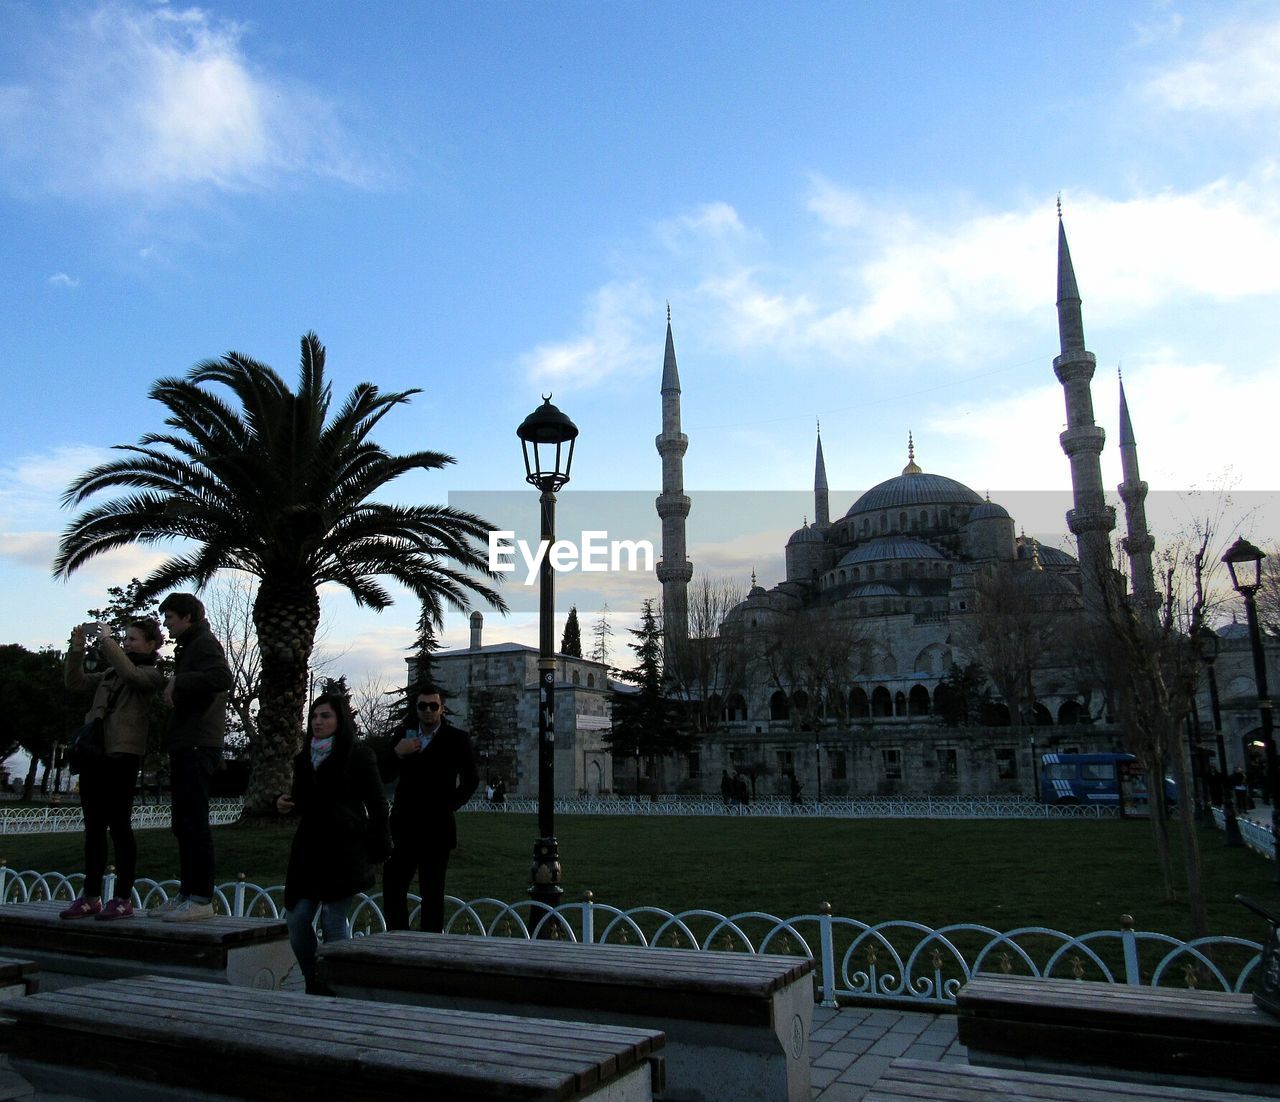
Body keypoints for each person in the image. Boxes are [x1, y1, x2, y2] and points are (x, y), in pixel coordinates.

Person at [277, 694, 390, 994]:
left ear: (339, 720)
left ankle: (337, 985)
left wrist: (380, 843)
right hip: (309, 850)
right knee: (298, 920)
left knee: (333, 919)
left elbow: (377, 802)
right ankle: (314, 978)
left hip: (343, 850)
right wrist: (285, 803)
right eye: (314, 715)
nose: (318, 721)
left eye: (325, 716)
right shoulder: (304, 759)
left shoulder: (357, 756)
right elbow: (303, 799)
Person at [60, 619, 165, 920]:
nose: (127, 643)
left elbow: (132, 675)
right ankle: (90, 895)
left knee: (119, 826)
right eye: (125, 638)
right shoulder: (109, 673)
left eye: (133, 639)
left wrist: (107, 641)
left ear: (151, 644)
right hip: (95, 754)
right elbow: (75, 682)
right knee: (93, 827)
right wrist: (77, 648)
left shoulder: (151, 674)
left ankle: (122, 897)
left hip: (123, 755)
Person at [150, 593, 232, 922]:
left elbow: (221, 678)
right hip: (186, 742)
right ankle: (186, 893)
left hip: (199, 743)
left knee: (195, 823)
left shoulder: (204, 644)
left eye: (169, 617)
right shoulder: (191, 646)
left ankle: (201, 898)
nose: (166, 624)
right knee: (182, 823)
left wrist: (179, 680)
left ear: (187, 617)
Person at [379, 685, 479, 932]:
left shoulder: (456, 739)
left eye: (433, 706)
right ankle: (397, 940)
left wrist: (450, 804)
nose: (428, 711)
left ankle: (429, 947)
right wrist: (397, 752)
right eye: (422, 706)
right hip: (404, 825)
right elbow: (385, 772)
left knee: (432, 893)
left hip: (437, 827)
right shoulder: (405, 735)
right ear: (416, 708)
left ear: (441, 709)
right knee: (393, 887)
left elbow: (471, 779)